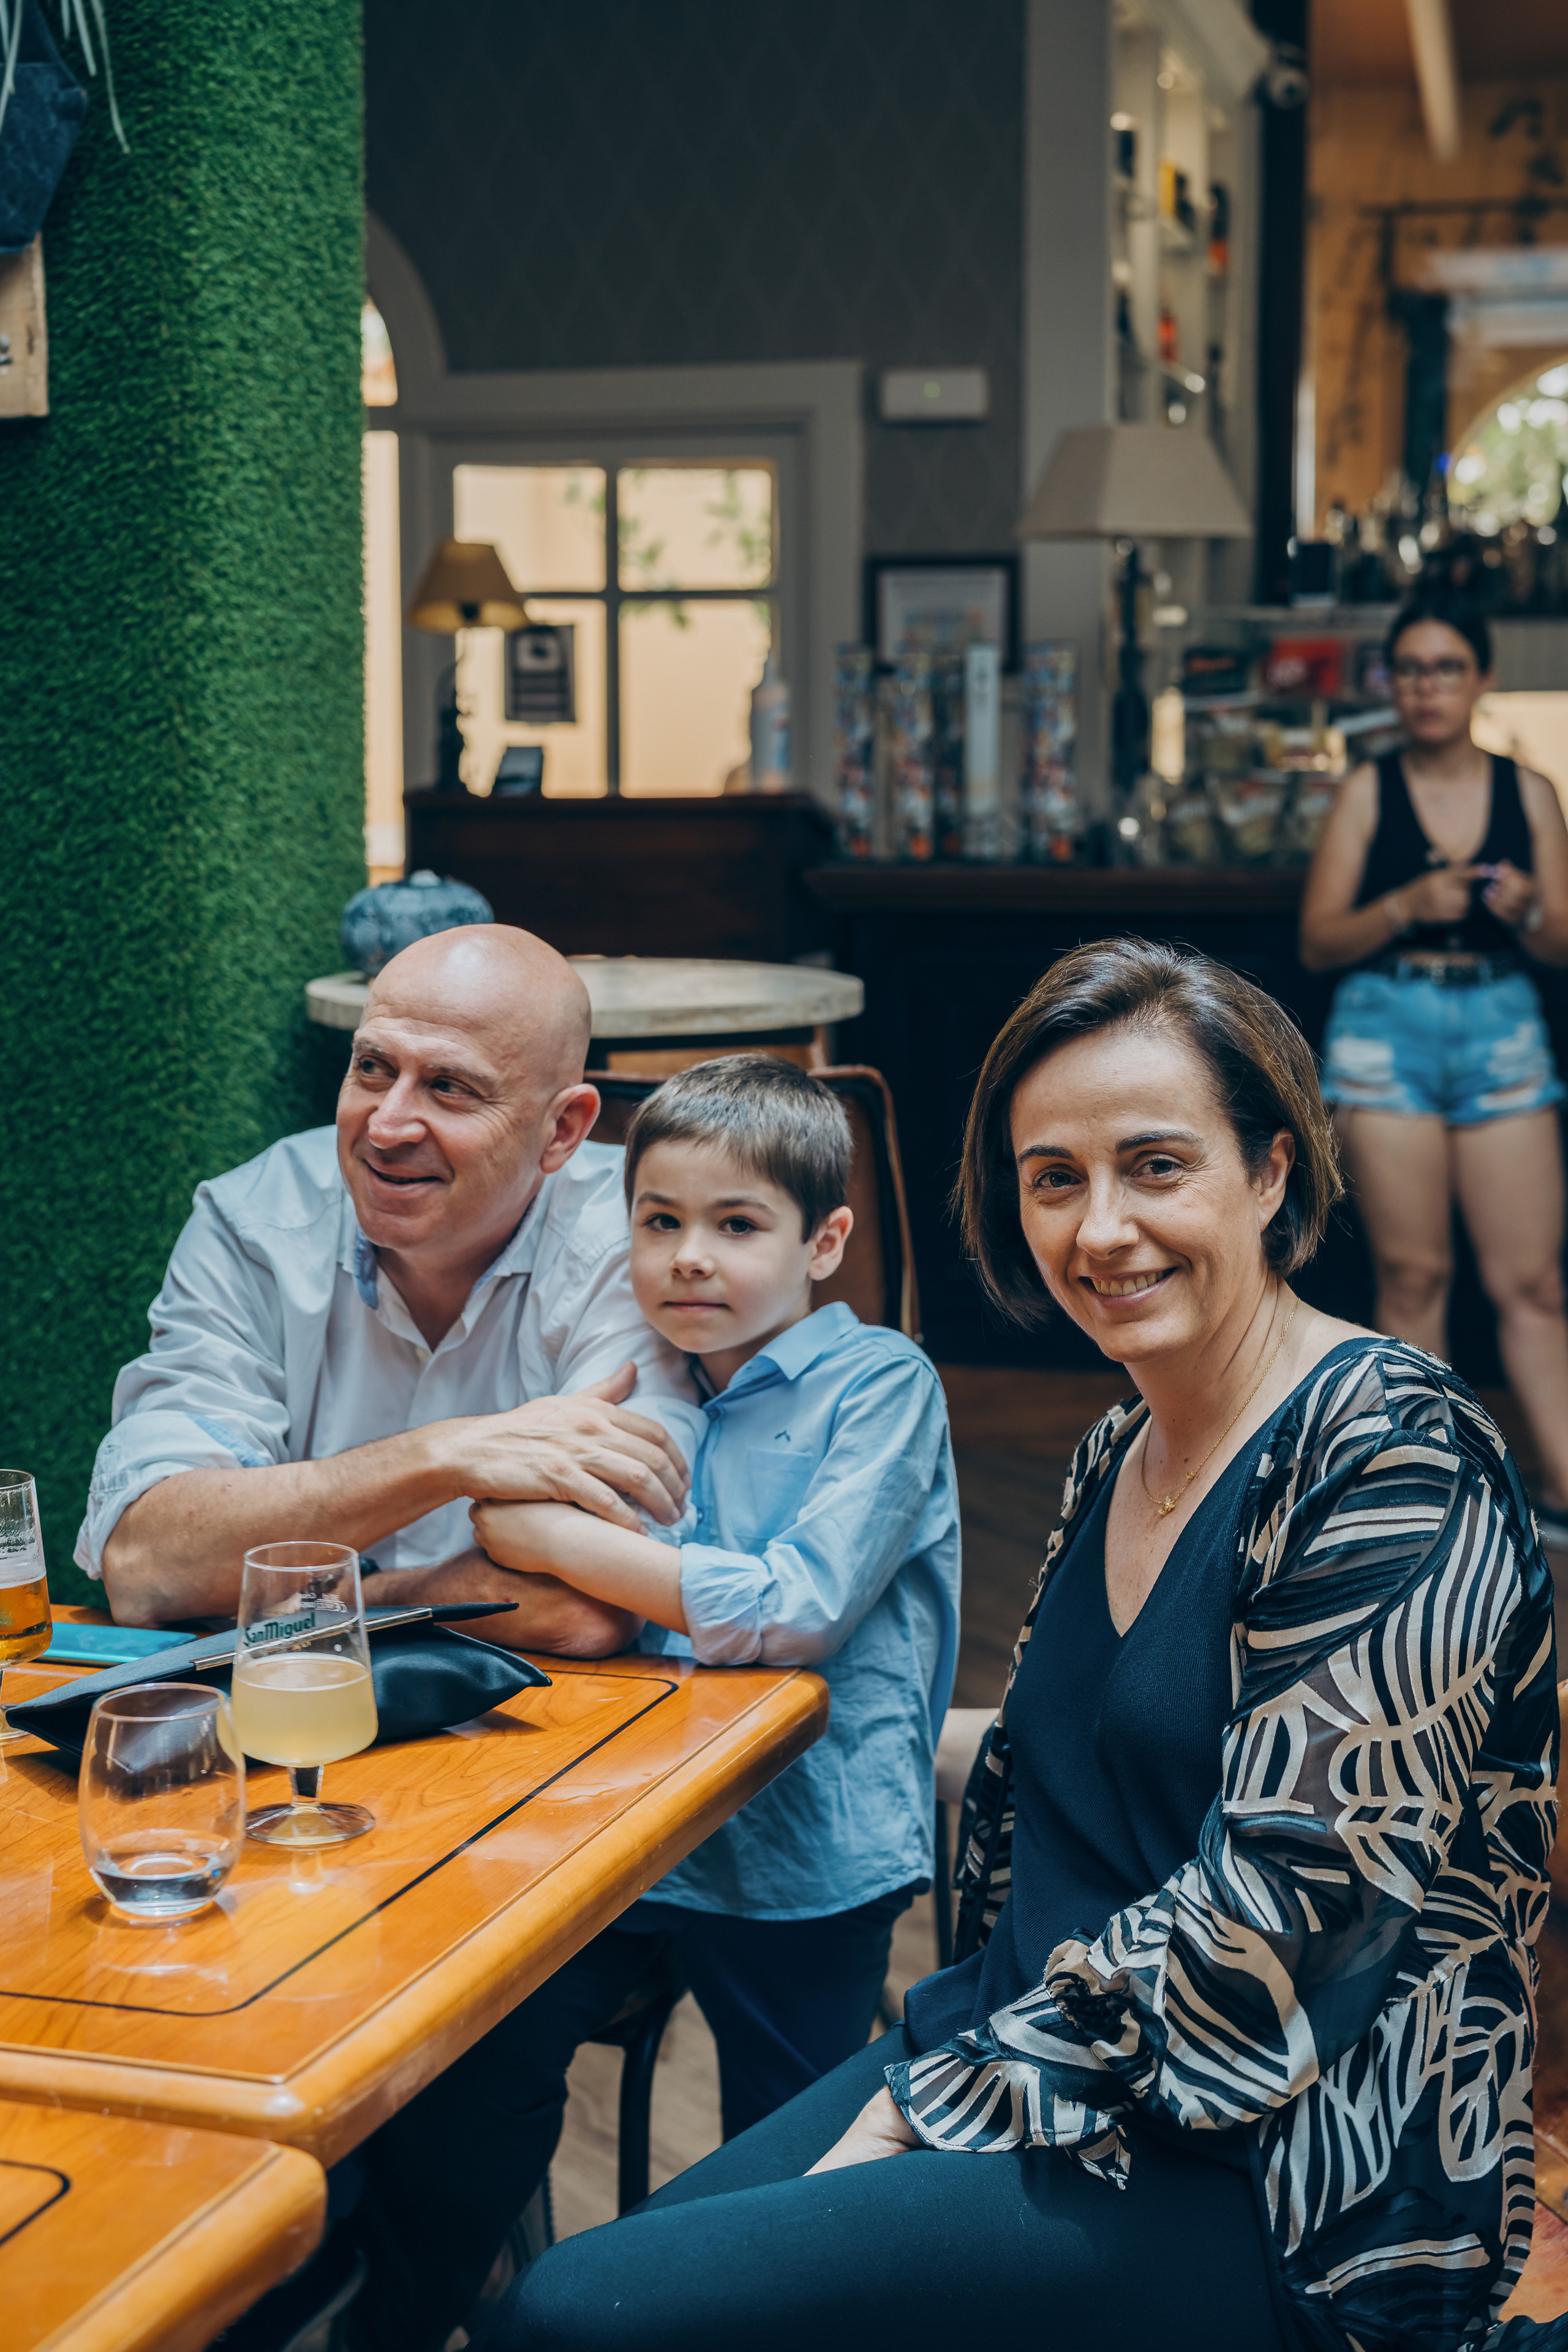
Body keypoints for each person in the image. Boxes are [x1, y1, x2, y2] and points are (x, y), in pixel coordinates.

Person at [488, 939, 1556, 2352]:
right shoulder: (1122, 1439)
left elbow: (1291, 1910)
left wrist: (924, 2103)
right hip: (1029, 2032)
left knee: (583, 2314)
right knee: (582, 2295)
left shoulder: (1392, 1455)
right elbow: (1106, 1749)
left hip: (1266, 2166)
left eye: (1154, 1165)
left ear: (1272, 1172)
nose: (1098, 1226)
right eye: (1053, 1176)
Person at [347, 1054, 960, 2352]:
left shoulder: (884, 1387)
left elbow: (794, 1607)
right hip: (626, 1846)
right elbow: (500, 1528)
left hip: (810, 1857)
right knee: (476, 2067)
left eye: (736, 1226)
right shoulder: (643, 1379)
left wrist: (560, 1537)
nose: (688, 1259)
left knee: (787, 2160)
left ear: (825, 1242)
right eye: (658, 1222)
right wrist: (547, 1530)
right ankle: (399, 2326)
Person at [81, 924, 703, 1649]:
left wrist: (298, 1599)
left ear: (562, 1129)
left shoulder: (641, 1241)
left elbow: (587, 1608)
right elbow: (148, 1564)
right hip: (285, 1714)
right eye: (373, 1067)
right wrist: (448, 1455)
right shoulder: (252, 1223)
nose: (387, 1124)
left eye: (449, 1086)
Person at [1300, 588, 1568, 1540]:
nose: (1426, 688)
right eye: (1409, 670)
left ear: (1481, 679)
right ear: (1392, 685)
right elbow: (1320, 940)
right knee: (1414, 1280)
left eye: (1446, 668)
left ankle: (1565, 1490)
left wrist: (1532, 906)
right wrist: (1409, 902)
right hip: (1388, 1026)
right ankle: (1433, 1497)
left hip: (1502, 1025)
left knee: (1531, 1285)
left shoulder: (1527, 792)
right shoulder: (1369, 789)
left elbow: (1563, 945)